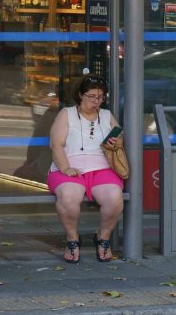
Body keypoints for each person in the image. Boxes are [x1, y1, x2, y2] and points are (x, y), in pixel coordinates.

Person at [47, 75, 124, 264]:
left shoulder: (106, 115)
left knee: (114, 197)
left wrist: (116, 141)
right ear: (80, 95)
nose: (96, 101)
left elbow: (120, 137)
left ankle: (103, 238)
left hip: (102, 167)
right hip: (69, 166)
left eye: (100, 97)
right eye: (91, 96)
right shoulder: (67, 114)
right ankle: (72, 239)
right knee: (68, 196)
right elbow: (56, 144)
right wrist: (65, 168)